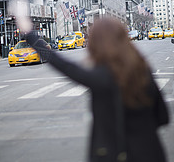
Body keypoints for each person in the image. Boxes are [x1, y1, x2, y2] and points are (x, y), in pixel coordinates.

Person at [16, 15, 169, 162]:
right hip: (151, 152)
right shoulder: (142, 70)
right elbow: (163, 117)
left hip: (113, 154)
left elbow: (62, 64)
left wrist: (30, 35)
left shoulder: (101, 77)